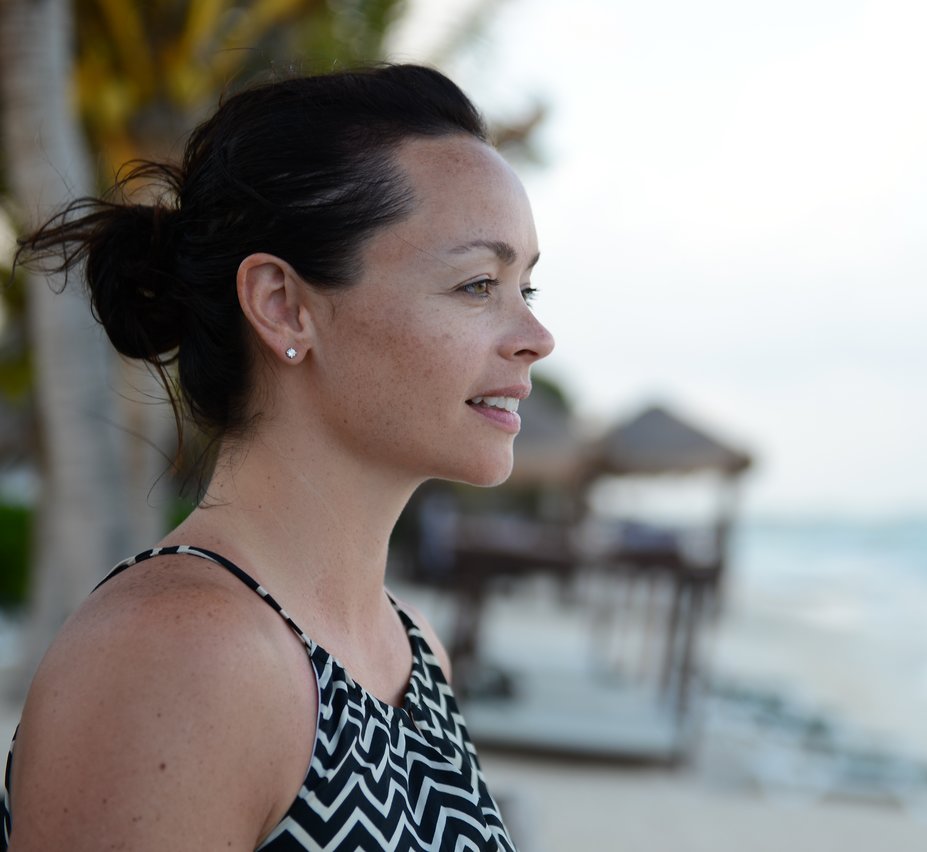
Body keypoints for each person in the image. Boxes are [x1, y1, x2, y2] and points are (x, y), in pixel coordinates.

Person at [1, 64, 552, 850]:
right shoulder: (180, 656)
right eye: (476, 285)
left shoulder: (411, 648)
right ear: (283, 305)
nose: (536, 337)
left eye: (527, 288)